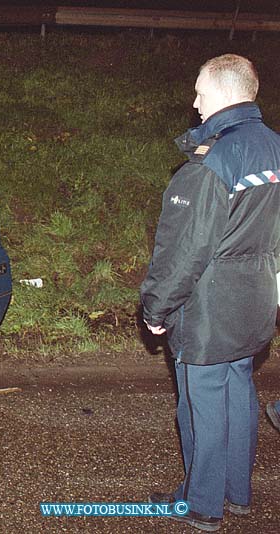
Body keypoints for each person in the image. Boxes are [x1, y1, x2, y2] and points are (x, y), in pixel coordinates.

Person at [140, 54, 280, 532]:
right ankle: (237, 493)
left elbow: (185, 249)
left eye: (199, 92)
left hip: (209, 307)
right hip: (258, 299)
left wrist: (157, 306)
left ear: (222, 93)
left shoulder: (212, 162)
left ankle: (202, 504)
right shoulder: (275, 149)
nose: (194, 103)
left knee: (200, 402)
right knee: (239, 387)